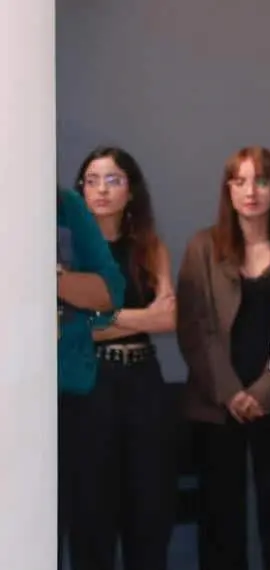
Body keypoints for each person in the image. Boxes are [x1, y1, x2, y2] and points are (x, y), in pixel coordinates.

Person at [175, 146, 270, 570]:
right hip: (218, 404)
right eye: (239, 181)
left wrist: (263, 393)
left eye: (260, 180)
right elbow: (194, 327)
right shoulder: (203, 247)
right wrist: (230, 392)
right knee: (220, 521)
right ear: (228, 190)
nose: (250, 191)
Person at [68, 147, 178, 570]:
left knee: (149, 509)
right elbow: (72, 326)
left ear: (131, 191)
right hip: (89, 384)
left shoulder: (149, 248)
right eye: (91, 180)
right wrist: (140, 317)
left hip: (143, 383)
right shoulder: (70, 252)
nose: (100, 189)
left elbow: (167, 318)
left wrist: (104, 319)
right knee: (91, 510)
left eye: (113, 180)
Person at [57, 185, 126, 567]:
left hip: (69, 394)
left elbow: (109, 291)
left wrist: (48, 277)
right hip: (11, 403)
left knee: (87, 527)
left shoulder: (65, 206)